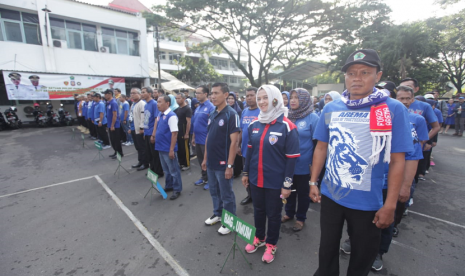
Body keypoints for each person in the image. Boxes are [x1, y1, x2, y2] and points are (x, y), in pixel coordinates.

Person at [309, 49, 412, 276]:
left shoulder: (392, 109)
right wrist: (313, 181)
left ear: (378, 75)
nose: (357, 77)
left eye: (365, 72)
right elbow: (321, 147)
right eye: (351, 73)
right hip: (331, 194)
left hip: (368, 202)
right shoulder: (331, 108)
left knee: (362, 257)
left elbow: (397, 160)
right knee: (326, 250)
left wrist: (391, 205)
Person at [242, 85, 300, 263]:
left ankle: (271, 244)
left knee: (274, 214)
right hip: (256, 179)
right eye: (259, 99)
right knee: (258, 211)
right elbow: (250, 152)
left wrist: (287, 184)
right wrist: (245, 172)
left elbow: (291, 159)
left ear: (275, 99)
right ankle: (259, 238)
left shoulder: (287, 127)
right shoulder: (254, 124)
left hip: (276, 182)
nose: (261, 102)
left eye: (265, 98)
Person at [202, 83, 240, 235]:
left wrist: (230, 166)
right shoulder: (212, 113)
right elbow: (208, 138)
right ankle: (218, 214)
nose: (213, 96)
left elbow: (234, 142)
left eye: (216, 93)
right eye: (212, 93)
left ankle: (230, 221)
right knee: (214, 191)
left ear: (225, 95)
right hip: (211, 161)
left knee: (226, 194)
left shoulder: (231, 115)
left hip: (224, 163)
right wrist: (205, 158)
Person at [282, 88, 319, 232]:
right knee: (288, 189)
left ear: (304, 99)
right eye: (291, 97)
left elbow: (317, 145)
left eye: (297, 97)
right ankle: (289, 213)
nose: (293, 100)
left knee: (303, 193)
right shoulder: (287, 116)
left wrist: (314, 166)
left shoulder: (312, 118)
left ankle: (300, 218)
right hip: (287, 164)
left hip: (304, 164)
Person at [399, 78, 440, 181]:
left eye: (409, 87)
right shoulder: (394, 107)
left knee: (410, 177)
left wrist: (423, 141)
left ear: (416, 89)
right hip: (398, 148)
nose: (405, 101)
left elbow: (436, 126)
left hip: (414, 148)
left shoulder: (424, 106)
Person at [154, 95, 183, 200]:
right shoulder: (160, 114)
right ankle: (169, 186)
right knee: (166, 170)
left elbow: (174, 134)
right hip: (160, 147)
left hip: (168, 148)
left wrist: (171, 150)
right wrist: (153, 135)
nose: (158, 104)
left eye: (160, 102)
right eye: (157, 102)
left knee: (174, 170)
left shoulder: (171, 116)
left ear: (167, 103)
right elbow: (157, 126)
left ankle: (177, 189)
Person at [238, 87, 260, 205]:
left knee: (256, 176)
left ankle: (258, 197)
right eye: (247, 96)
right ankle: (250, 195)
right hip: (245, 150)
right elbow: (242, 130)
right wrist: (238, 145)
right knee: (246, 175)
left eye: (252, 95)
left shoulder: (262, 111)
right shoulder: (245, 111)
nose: (249, 98)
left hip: (258, 151)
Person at [192, 85, 215, 189]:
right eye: (195, 93)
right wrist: (193, 137)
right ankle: (204, 177)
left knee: (209, 161)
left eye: (198, 93)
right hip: (197, 140)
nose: (196, 95)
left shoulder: (211, 107)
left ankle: (211, 181)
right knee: (201, 161)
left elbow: (212, 127)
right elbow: (196, 124)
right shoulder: (198, 107)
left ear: (205, 94)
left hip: (206, 140)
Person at [141, 87, 163, 176]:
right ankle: (152, 170)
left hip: (152, 132)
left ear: (149, 94)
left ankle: (158, 172)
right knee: (149, 153)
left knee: (155, 154)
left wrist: (153, 134)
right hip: (147, 132)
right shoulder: (146, 104)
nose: (141, 94)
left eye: (143, 92)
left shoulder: (154, 104)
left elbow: (156, 119)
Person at [129, 88, 148, 170]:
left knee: (142, 147)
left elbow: (143, 118)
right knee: (137, 147)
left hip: (139, 129)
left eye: (134, 93)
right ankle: (140, 162)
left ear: (139, 94)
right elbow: (131, 116)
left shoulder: (142, 104)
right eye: (131, 93)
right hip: (133, 128)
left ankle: (145, 163)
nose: (132, 94)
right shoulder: (133, 103)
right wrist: (130, 127)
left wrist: (141, 128)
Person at [227, 92, 243, 177]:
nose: (230, 100)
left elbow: (240, 126)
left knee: (235, 151)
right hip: (227, 135)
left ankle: (236, 171)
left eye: (232, 99)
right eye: (229, 98)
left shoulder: (238, 110)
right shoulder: (224, 110)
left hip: (236, 134)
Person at [174, 93, 192, 171]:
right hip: (178, 131)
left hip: (184, 131)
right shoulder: (177, 109)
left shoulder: (187, 109)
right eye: (176, 98)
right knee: (179, 149)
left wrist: (187, 133)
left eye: (179, 98)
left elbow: (188, 122)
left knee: (185, 149)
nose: (177, 100)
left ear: (184, 99)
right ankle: (181, 163)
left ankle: (186, 164)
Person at [104, 90, 123, 159]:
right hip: (110, 124)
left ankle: (119, 153)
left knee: (116, 140)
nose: (104, 96)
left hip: (115, 125)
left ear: (109, 94)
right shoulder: (108, 102)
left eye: (105, 94)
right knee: (112, 140)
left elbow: (115, 115)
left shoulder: (113, 103)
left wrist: (112, 125)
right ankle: (115, 152)